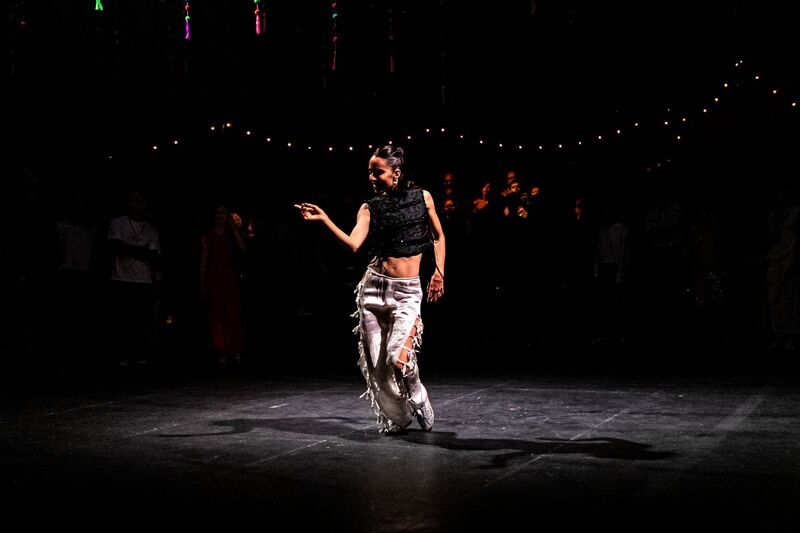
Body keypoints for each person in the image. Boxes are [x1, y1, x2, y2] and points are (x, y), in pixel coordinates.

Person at [294, 145, 446, 434]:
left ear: (396, 173)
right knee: (378, 369)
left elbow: (438, 236)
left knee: (397, 360)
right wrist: (324, 219)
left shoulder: (422, 198)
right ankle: (399, 417)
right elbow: (353, 244)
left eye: (378, 172)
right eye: (369, 172)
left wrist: (439, 272)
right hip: (373, 290)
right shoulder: (369, 207)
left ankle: (418, 395)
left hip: (407, 292)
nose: (372, 177)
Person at [200, 205, 247, 366]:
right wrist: (202, 283)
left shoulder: (230, 235)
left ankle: (235, 349)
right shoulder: (208, 235)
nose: (220, 216)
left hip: (230, 278)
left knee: (232, 313)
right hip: (215, 278)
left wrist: (233, 229)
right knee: (217, 314)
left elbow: (242, 248)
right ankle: (220, 350)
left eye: (223, 213)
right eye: (217, 213)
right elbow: (204, 261)